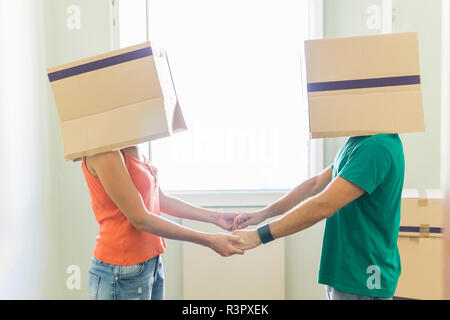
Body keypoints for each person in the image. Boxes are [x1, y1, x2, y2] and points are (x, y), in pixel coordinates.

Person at [233, 134, 405, 300]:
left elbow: (323, 205)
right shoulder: (358, 141)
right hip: (346, 270)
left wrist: (259, 236)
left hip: (364, 275)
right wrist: (263, 214)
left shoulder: (376, 147)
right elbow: (314, 184)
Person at [83, 145, 243, 300]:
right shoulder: (104, 153)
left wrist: (216, 217)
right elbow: (141, 219)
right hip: (121, 271)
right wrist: (209, 240)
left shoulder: (132, 146)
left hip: (150, 263)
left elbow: (160, 199)